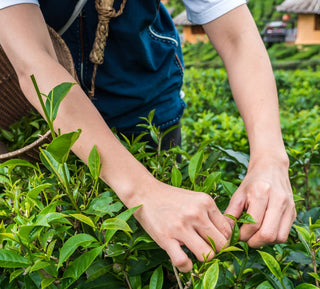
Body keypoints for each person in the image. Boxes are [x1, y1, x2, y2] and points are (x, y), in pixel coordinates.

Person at [0, 0, 296, 273]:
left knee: (162, 256)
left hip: (145, 103)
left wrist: (270, 158)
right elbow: (34, 61)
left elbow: (237, 37)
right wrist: (143, 192)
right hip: (35, 118)